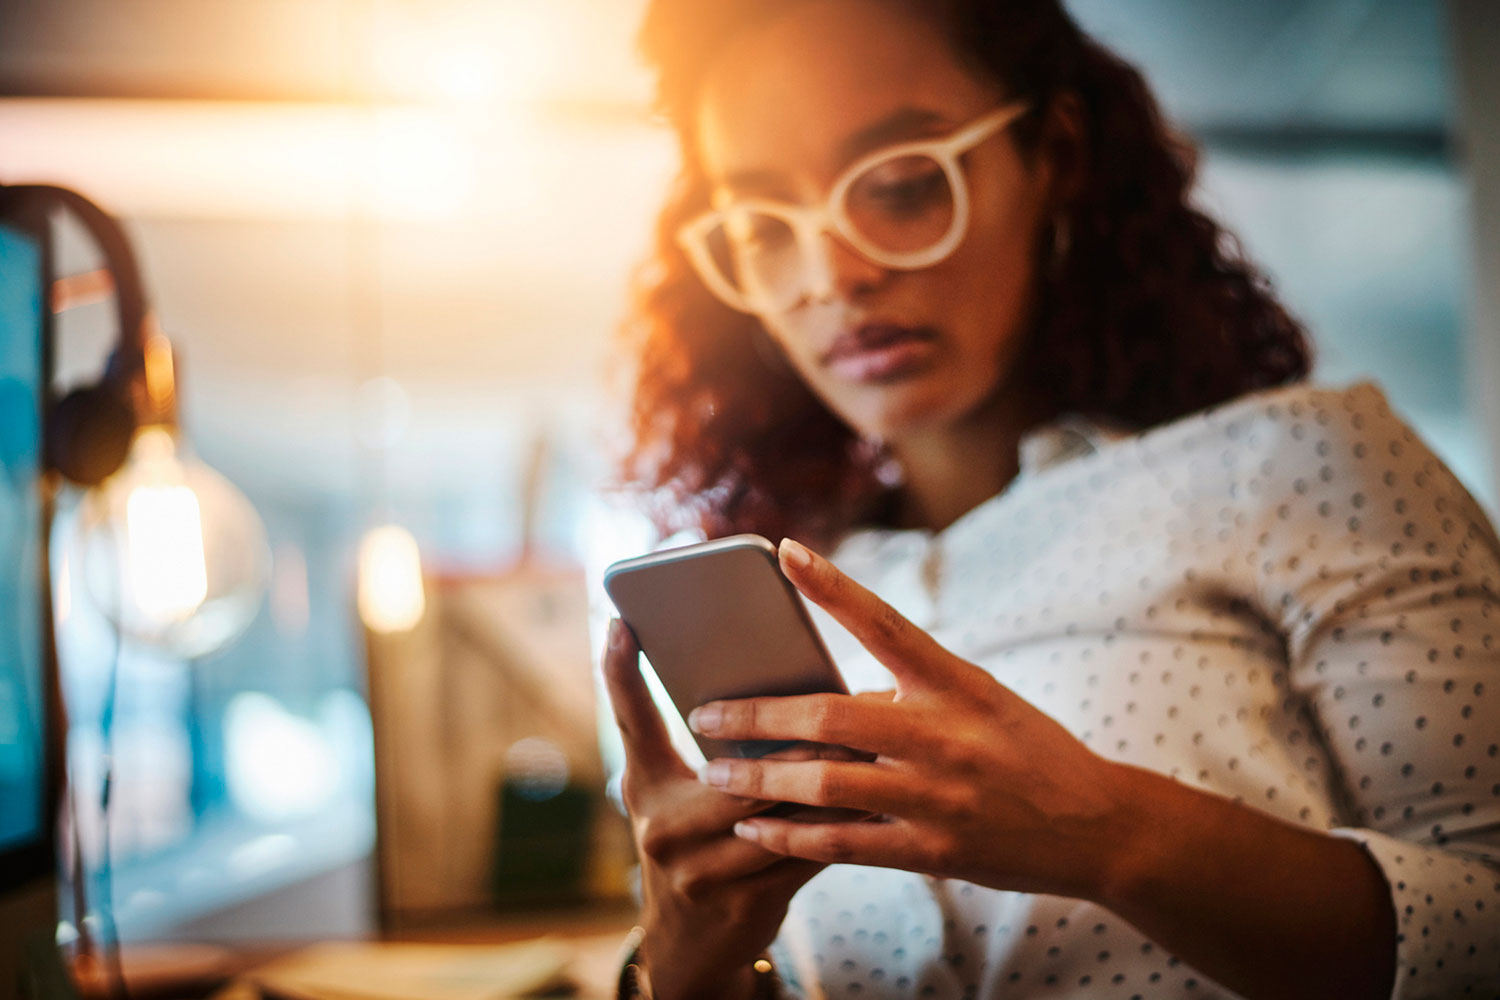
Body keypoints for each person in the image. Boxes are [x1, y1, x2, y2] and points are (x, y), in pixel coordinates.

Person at [596, 1, 1500, 997]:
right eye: (766, 227)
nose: (835, 274)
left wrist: (1110, 832)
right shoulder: (777, 589)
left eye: (901, 186)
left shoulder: (1308, 470)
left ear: (1053, 154)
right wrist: (681, 960)